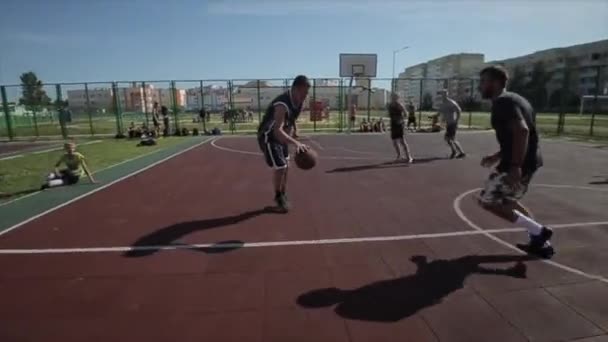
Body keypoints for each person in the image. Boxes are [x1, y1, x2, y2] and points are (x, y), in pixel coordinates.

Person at [478, 65, 554, 258]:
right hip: (527, 160)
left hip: (520, 163)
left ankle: (538, 232)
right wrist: (496, 156)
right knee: (508, 201)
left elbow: (522, 131)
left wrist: (515, 167)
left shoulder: (503, 102)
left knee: (487, 200)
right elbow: (515, 136)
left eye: (483, 81)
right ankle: (541, 244)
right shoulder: (517, 100)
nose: (480, 86)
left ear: (495, 83)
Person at [257, 75, 310, 212]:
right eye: (303, 93)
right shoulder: (282, 103)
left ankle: (283, 193)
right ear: (295, 89)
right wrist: (296, 143)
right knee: (280, 166)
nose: (305, 96)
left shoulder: (299, 103)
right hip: (268, 136)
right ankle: (278, 196)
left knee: (287, 166)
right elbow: (277, 129)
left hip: (281, 135)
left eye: (306, 93)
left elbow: (291, 121)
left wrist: (294, 132)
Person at [437, 90, 466, 159]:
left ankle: (461, 152)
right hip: (448, 124)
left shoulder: (451, 102)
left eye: (444, 94)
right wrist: (438, 118)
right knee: (448, 139)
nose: (442, 96)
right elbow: (441, 112)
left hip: (452, 123)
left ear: (447, 95)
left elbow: (459, 110)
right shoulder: (443, 104)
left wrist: (457, 120)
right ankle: (455, 151)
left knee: (451, 139)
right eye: (441, 94)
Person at [387, 93, 413, 163]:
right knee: (394, 142)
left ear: (397, 98)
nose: (393, 98)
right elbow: (389, 115)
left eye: (395, 97)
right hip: (393, 124)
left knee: (402, 141)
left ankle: (409, 157)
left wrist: (401, 120)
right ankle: (399, 156)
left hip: (399, 125)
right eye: (392, 97)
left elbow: (406, 114)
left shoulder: (399, 105)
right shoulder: (390, 105)